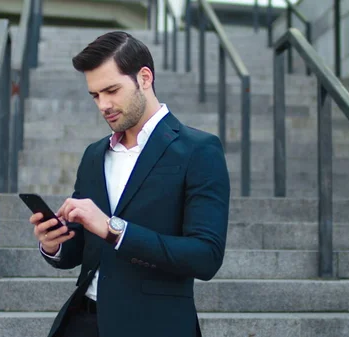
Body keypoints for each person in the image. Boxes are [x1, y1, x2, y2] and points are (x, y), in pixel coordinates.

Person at [30, 31, 230, 337]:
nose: (103, 105)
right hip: (82, 322)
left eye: (111, 90)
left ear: (145, 78)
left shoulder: (198, 150)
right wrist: (54, 243)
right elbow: (83, 249)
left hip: (154, 326)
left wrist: (114, 230)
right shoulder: (95, 155)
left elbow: (205, 256)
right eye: (95, 95)